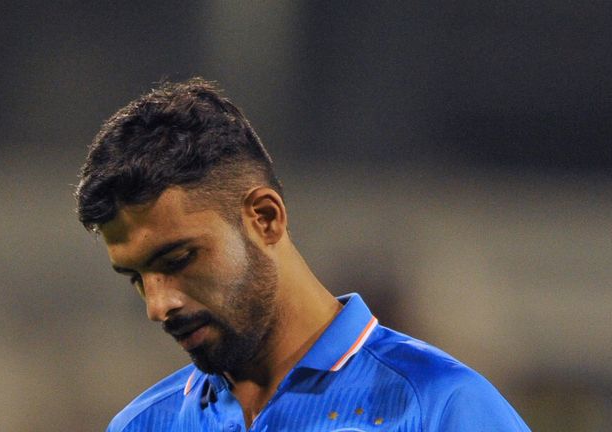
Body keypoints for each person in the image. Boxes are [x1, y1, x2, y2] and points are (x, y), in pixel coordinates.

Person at [75, 78, 531, 431]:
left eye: (177, 260)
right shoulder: (141, 425)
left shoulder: (439, 406)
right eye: (136, 278)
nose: (158, 306)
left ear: (265, 219)